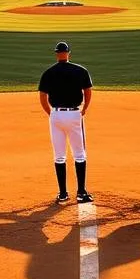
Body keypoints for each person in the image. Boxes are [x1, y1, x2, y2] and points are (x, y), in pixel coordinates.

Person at [38, 41, 93, 204]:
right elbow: (87, 91)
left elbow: (42, 96)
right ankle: (81, 193)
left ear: (56, 53)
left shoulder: (48, 72)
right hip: (74, 114)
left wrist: (51, 113)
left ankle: (62, 194)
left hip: (56, 115)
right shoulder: (80, 70)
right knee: (79, 154)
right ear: (68, 53)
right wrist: (85, 109)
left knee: (59, 156)